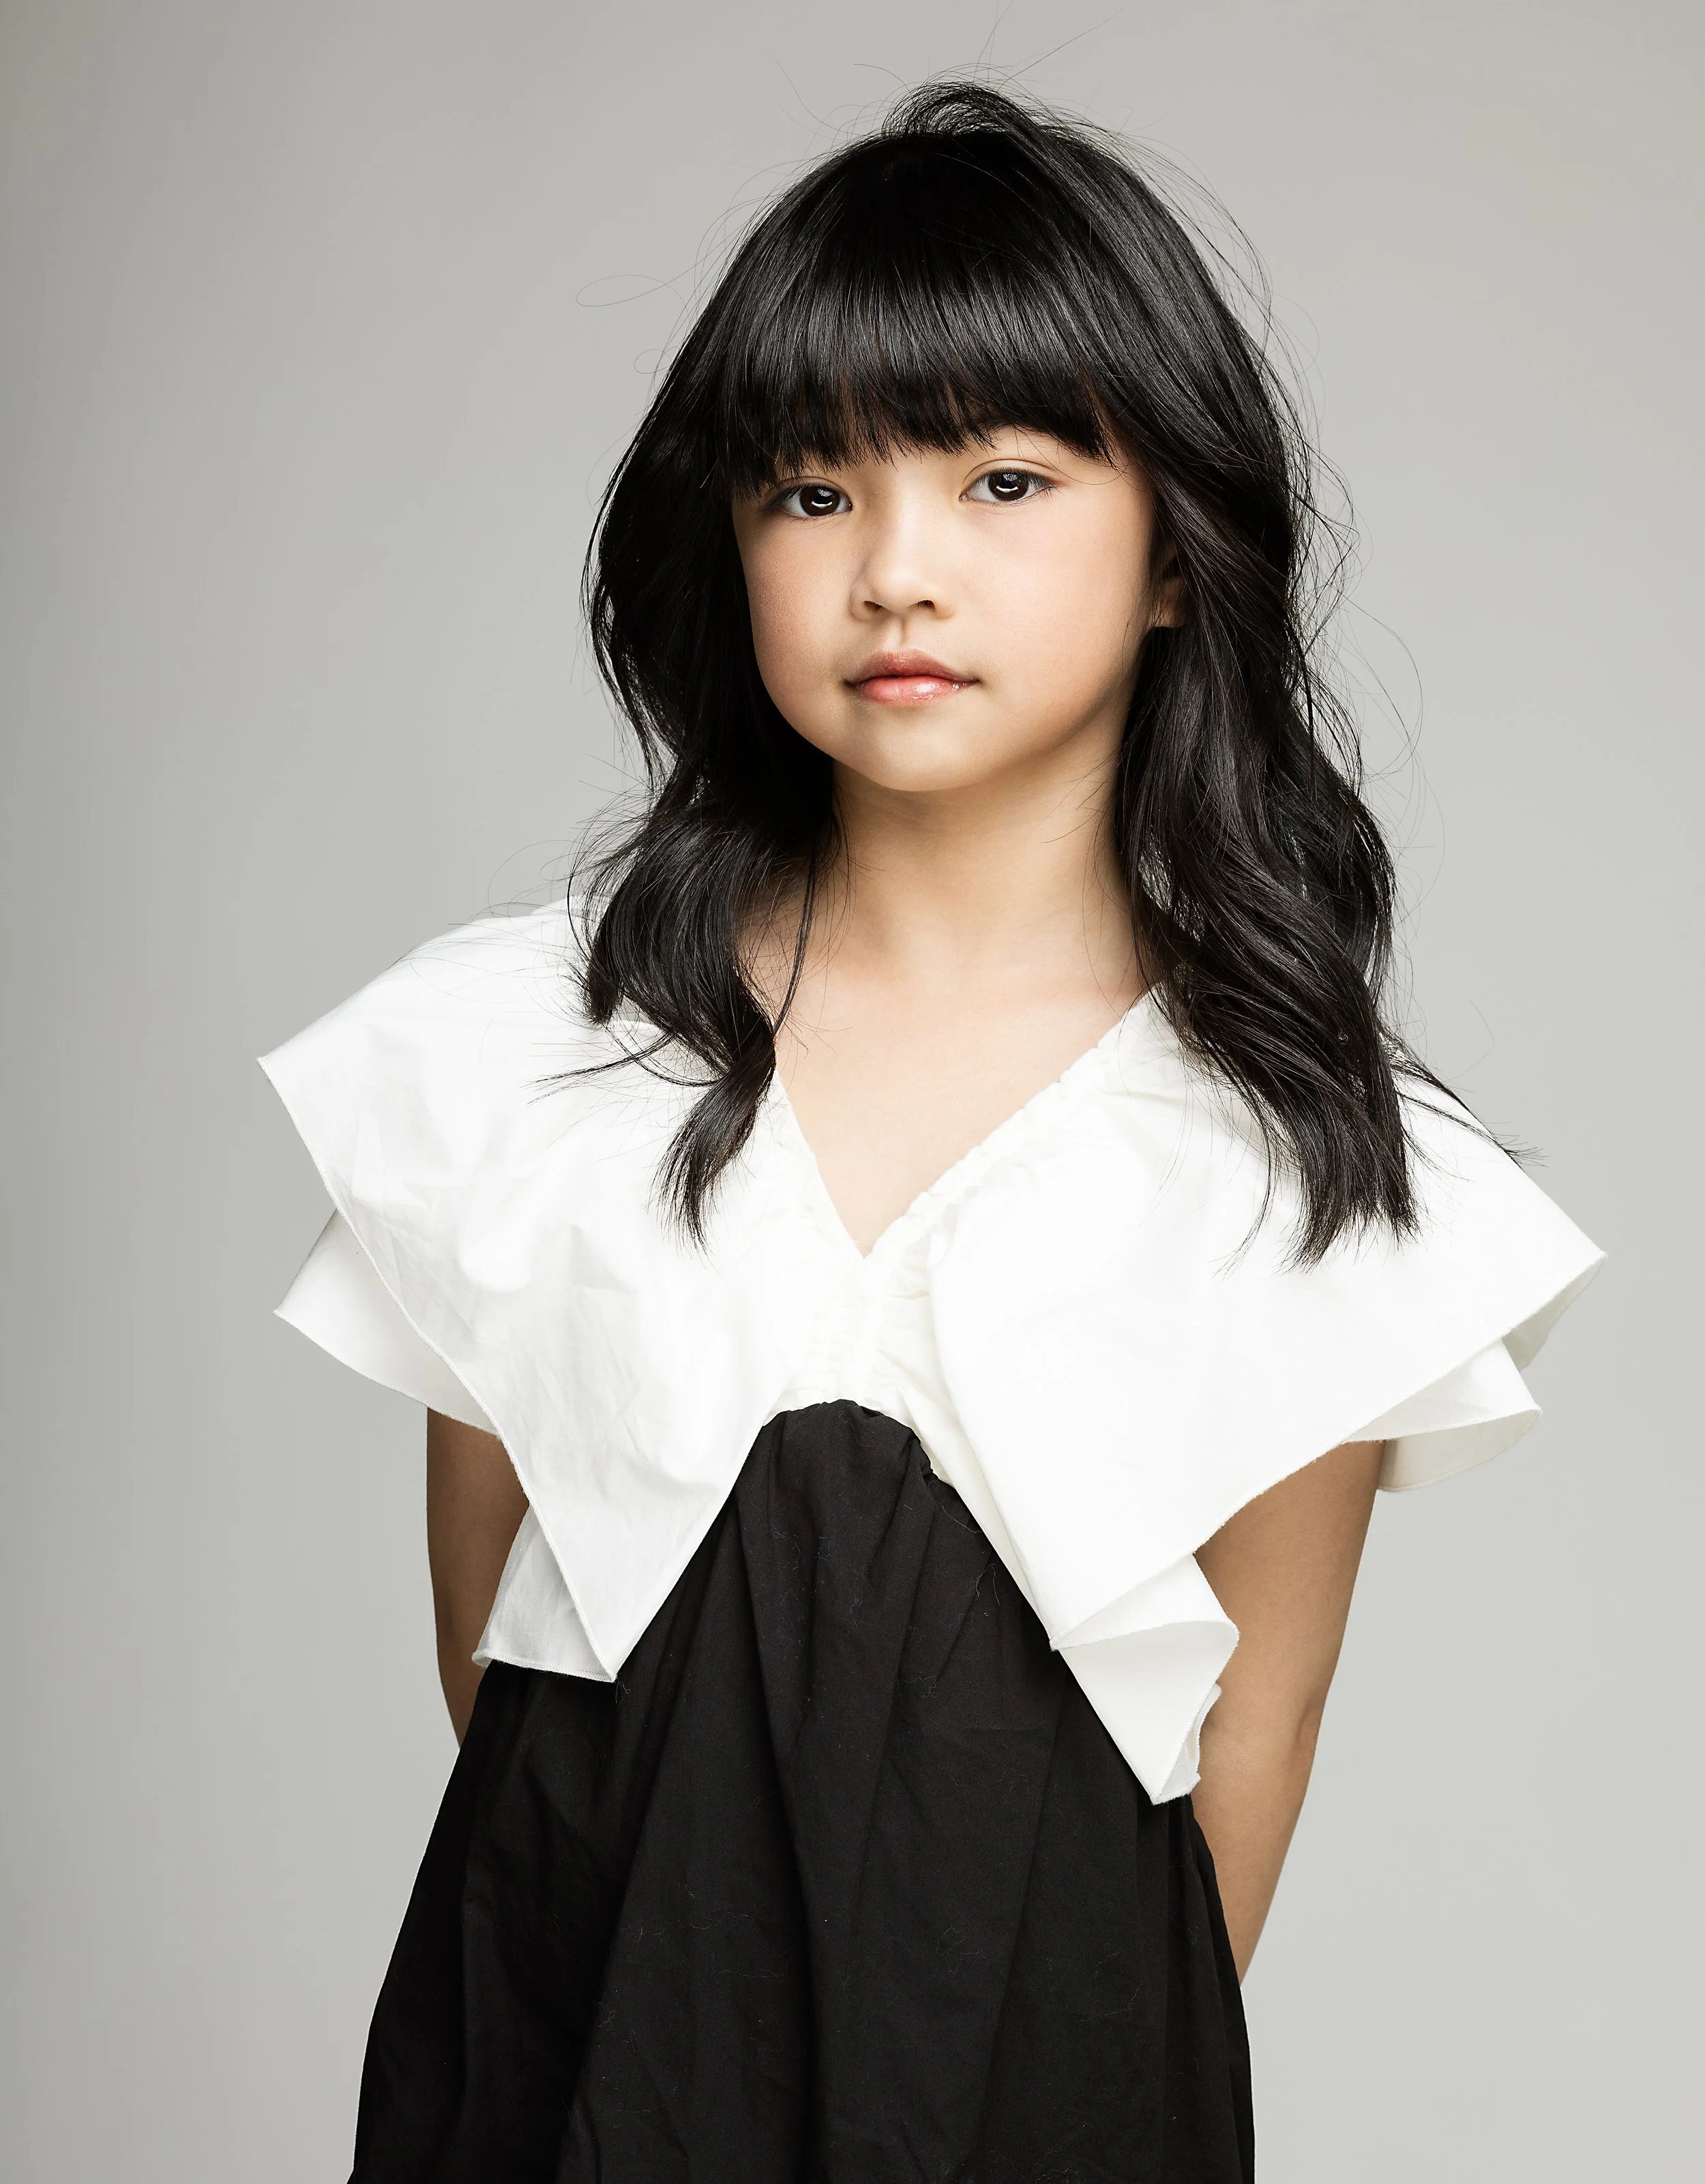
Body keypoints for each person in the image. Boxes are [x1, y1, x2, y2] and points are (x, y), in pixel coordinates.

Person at [264, 82, 1601, 2183]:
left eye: (1001, 478)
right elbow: (494, 1636)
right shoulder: (540, 1056)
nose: (895, 569)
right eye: (809, 492)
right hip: (565, 2048)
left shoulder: (1298, 1148)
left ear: (1179, 553)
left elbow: (1251, 1736)